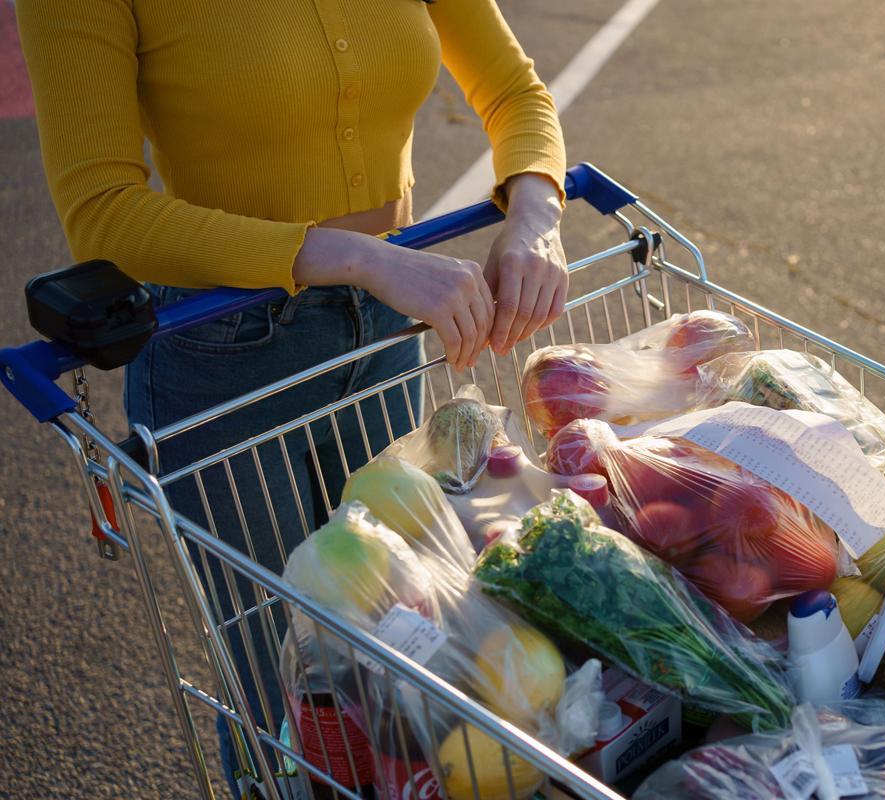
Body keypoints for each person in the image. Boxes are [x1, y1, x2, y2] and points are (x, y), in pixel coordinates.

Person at [16, 0, 567, 794]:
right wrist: (358, 258)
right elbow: (100, 213)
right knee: (286, 691)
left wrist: (535, 218)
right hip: (225, 356)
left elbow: (516, 91)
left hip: (385, 326)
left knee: (411, 634)